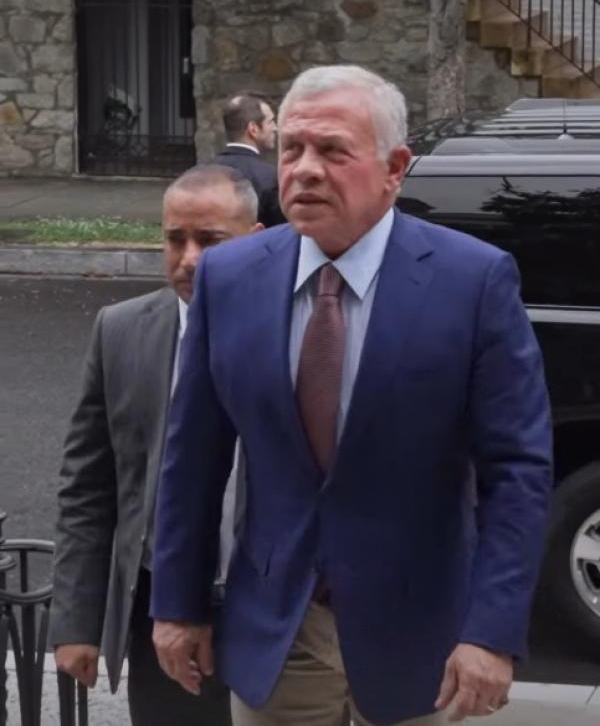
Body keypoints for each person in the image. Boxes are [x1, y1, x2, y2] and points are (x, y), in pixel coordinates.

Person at [150, 66, 553, 726]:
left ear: (394, 168)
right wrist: (177, 604)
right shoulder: (229, 277)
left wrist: (492, 631)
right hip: (278, 630)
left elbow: (518, 472)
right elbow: (192, 457)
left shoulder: (472, 282)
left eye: (333, 151)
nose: (305, 169)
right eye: (293, 148)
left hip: (420, 638)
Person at [49, 165, 263, 726]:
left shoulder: (297, 326)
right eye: (175, 239)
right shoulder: (121, 331)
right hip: (162, 613)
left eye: (210, 241)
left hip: (272, 610)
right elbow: (89, 488)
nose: (189, 258)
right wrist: (76, 621)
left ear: (256, 240)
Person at [212, 92, 285, 228]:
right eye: (270, 121)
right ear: (253, 129)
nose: (275, 128)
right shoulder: (271, 177)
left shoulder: (199, 173)